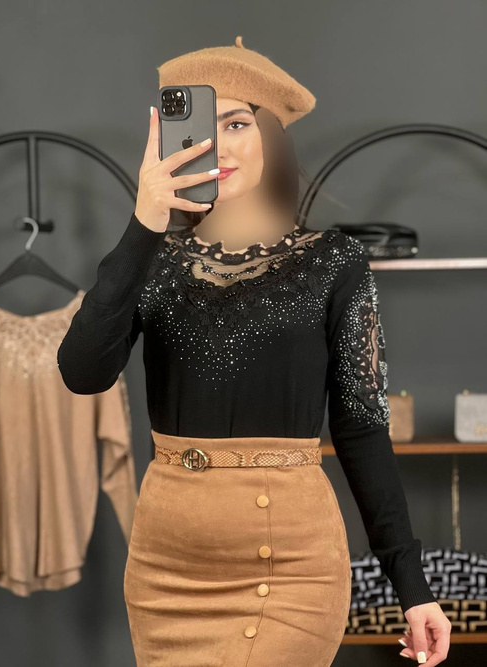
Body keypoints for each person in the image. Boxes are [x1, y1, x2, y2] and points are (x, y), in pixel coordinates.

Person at [57, 36, 451, 666]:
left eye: (237, 123)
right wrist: (144, 222)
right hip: (166, 571)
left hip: (292, 567)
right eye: (200, 128)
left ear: (272, 136)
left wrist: (413, 587)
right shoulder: (152, 261)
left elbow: (361, 428)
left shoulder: (335, 263)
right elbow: (81, 373)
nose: (216, 145)